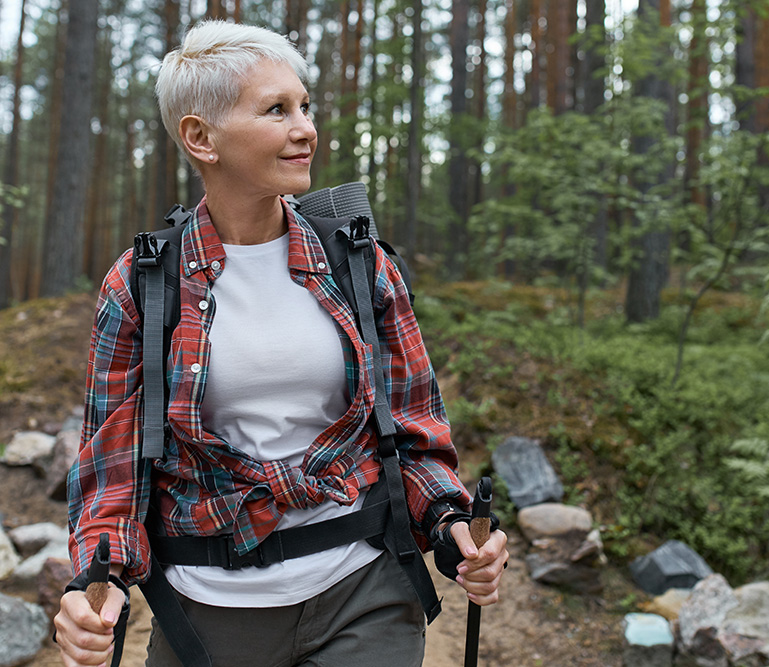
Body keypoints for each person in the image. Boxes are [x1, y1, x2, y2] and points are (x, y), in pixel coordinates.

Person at [54, 20, 507, 667]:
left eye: (305, 106)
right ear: (200, 136)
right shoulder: (145, 283)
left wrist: (451, 522)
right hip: (208, 613)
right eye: (276, 110)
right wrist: (96, 581)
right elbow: (112, 470)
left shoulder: (359, 262)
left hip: (367, 590)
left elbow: (412, 430)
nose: (306, 129)